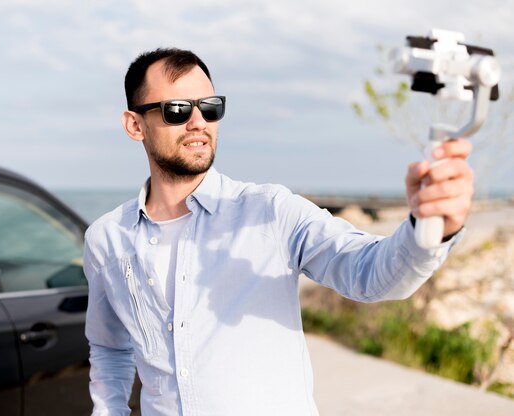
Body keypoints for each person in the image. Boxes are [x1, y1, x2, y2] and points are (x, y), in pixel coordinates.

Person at [83, 47, 473, 416]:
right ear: (135, 124)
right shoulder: (105, 240)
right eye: (177, 110)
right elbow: (109, 348)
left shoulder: (271, 212)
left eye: (210, 107)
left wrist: (431, 227)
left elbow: (370, 274)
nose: (198, 121)